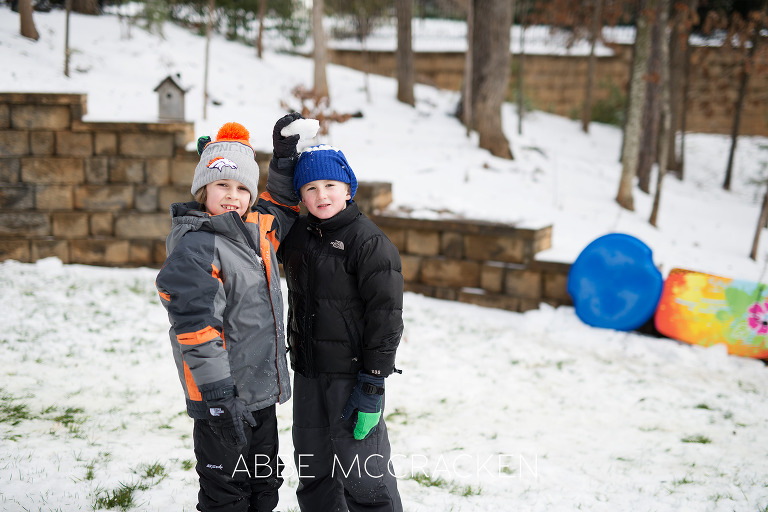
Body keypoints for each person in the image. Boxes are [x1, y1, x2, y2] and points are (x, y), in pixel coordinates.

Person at [155, 114, 303, 512]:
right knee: (227, 494)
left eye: (242, 188)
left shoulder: (255, 231)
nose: (232, 195)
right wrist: (219, 397)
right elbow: (196, 330)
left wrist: (284, 159)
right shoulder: (198, 245)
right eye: (222, 184)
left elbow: (282, 206)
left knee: (264, 486)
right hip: (223, 401)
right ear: (203, 189)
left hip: (260, 394)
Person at [277, 144, 405, 512]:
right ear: (300, 196)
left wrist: (373, 382)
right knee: (313, 471)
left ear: (348, 189)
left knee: (365, 478)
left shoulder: (369, 242)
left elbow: (386, 316)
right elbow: (268, 215)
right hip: (308, 374)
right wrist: (282, 160)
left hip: (352, 379)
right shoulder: (297, 236)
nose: (321, 195)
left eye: (330, 185)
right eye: (310, 188)